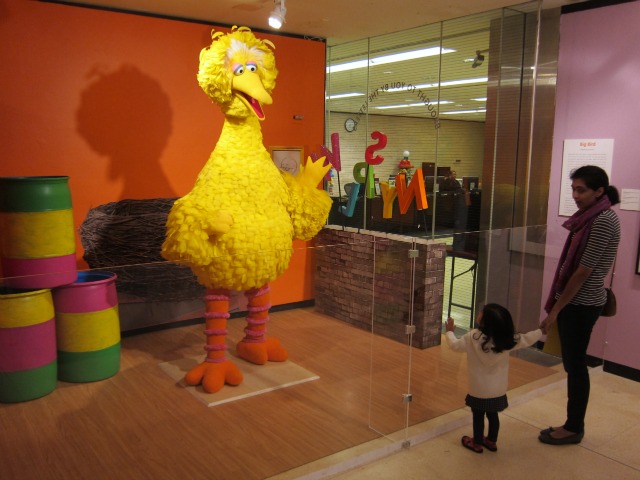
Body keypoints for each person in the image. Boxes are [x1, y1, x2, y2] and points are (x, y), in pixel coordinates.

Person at [539, 165, 620, 445]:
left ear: (600, 191)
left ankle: (573, 427)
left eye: (581, 189)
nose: (575, 195)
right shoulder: (588, 218)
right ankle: (573, 424)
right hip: (576, 302)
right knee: (573, 365)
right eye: (573, 188)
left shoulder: (603, 220)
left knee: (575, 366)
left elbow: (582, 272)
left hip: (581, 304)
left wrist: (555, 311)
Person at [444, 304, 542, 453]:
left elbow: (455, 346)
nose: (479, 312)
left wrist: (450, 332)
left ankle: (476, 443)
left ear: (484, 321)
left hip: (478, 389)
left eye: (482, 312)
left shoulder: (472, 337)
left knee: (478, 417)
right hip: (498, 389)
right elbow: (527, 339)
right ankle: (491, 441)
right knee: (493, 415)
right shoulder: (507, 340)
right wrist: (541, 331)